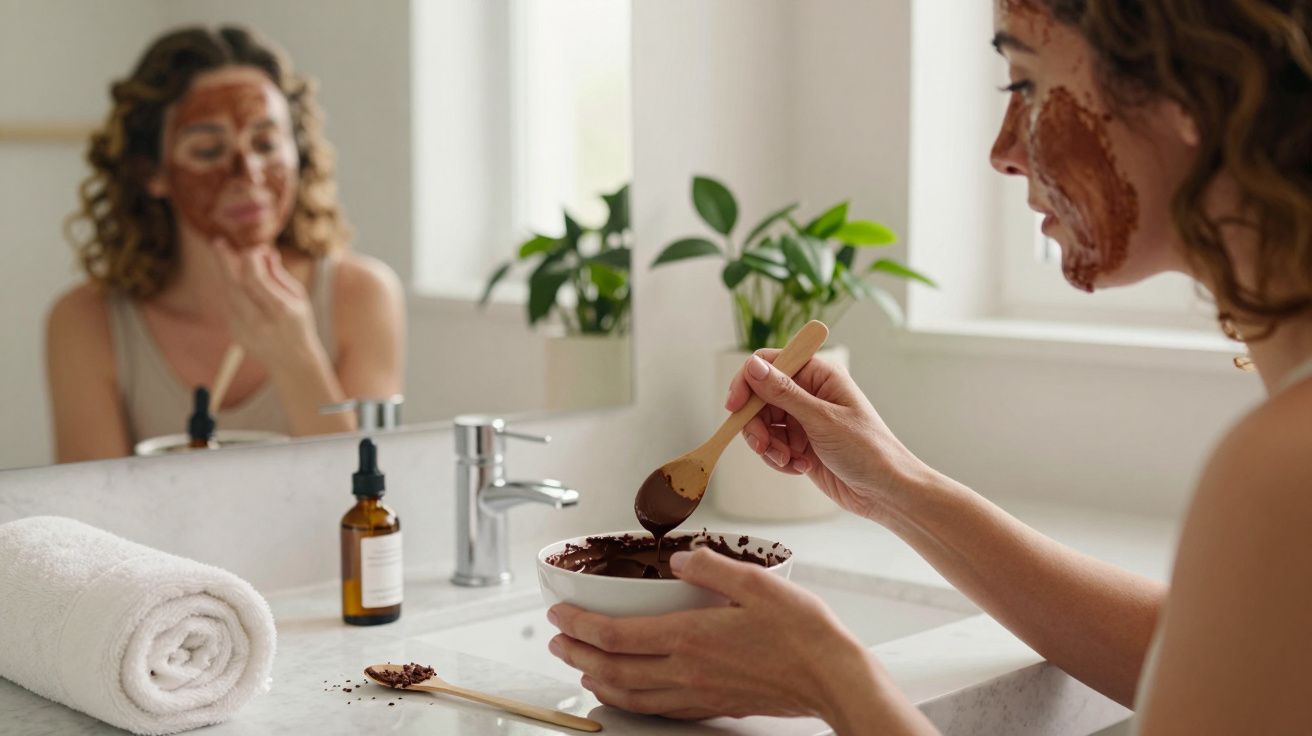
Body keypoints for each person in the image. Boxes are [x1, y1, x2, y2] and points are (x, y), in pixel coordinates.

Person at [545, 1, 1312, 733]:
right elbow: (1203, 659)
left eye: (1028, 84)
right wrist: (897, 488)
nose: (1003, 151)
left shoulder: (1281, 465)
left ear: (1190, 86)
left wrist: (828, 678)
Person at [46, 26, 404, 462]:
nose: (247, 171)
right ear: (150, 173)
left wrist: (296, 359)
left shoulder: (361, 296)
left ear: (299, 153)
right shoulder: (86, 321)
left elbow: (366, 503)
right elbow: (88, 520)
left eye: (266, 143)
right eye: (209, 150)